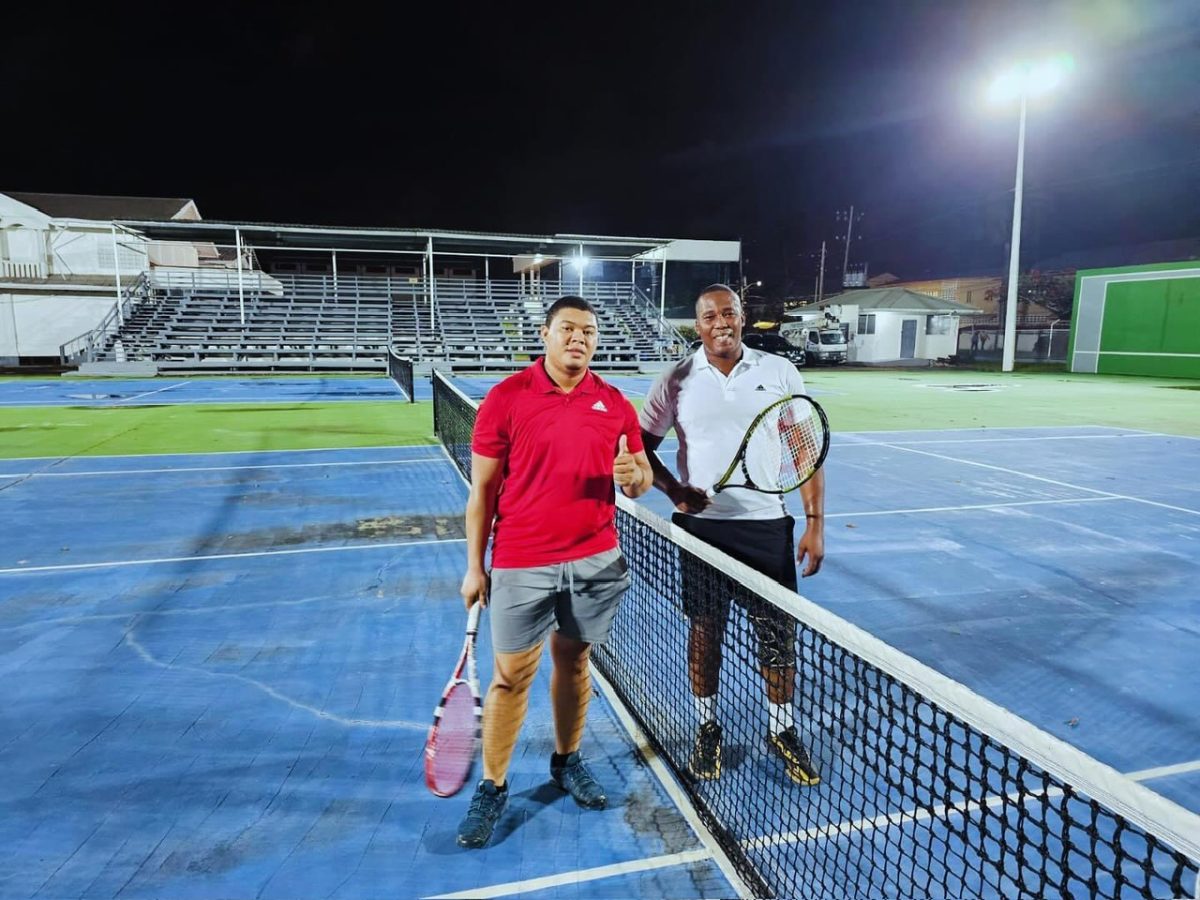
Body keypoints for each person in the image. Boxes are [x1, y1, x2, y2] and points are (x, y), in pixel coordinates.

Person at [456, 295, 654, 849]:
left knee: (574, 662)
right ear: (544, 334)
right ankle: (493, 788)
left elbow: (640, 480)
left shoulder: (614, 403)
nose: (579, 339)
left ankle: (566, 762)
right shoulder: (505, 399)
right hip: (522, 560)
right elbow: (484, 493)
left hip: (594, 560)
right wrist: (475, 566)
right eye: (568, 328)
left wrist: (632, 474)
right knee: (510, 676)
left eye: (588, 331)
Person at [639, 284, 825, 786]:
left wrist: (814, 524)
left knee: (777, 637)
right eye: (709, 316)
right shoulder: (675, 379)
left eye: (729, 313)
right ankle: (707, 726)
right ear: (695, 325)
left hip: (767, 526)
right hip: (700, 531)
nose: (720, 322)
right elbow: (642, 448)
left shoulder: (779, 372)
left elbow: (806, 451)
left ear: (742, 317)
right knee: (704, 633)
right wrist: (674, 490)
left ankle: (782, 729)